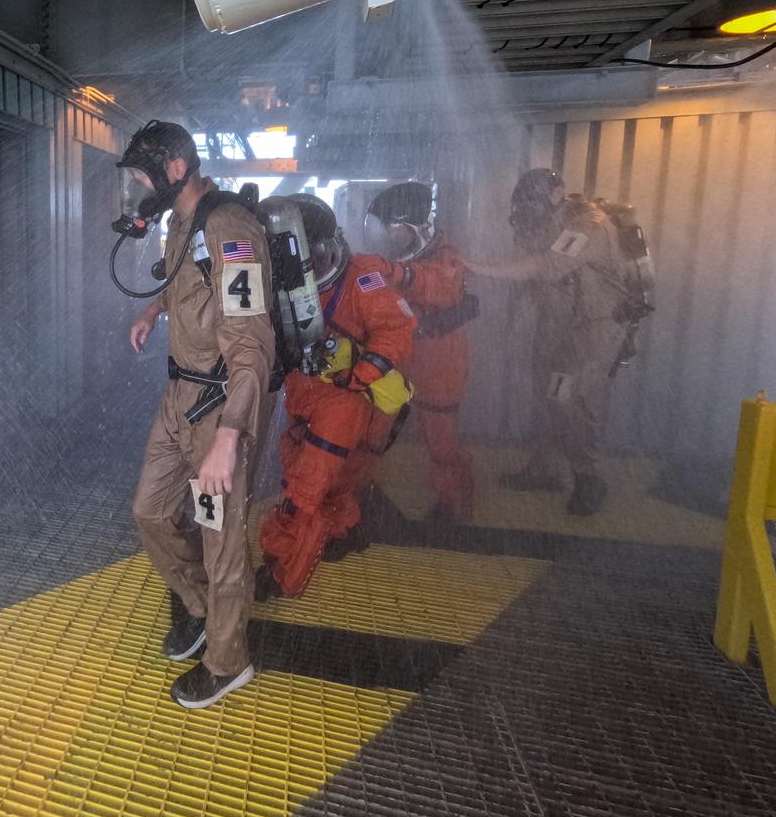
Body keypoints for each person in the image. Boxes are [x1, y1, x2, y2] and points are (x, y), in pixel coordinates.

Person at [120, 120, 276, 709]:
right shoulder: (178, 223)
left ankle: (227, 660)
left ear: (176, 169)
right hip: (177, 398)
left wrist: (227, 441)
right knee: (150, 512)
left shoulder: (231, 229)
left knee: (221, 536)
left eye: (143, 171)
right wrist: (153, 310)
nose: (138, 182)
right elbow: (183, 276)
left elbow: (253, 349)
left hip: (220, 407)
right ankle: (198, 608)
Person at [255, 194, 415, 601]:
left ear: (329, 243)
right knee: (333, 477)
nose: (303, 269)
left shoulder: (362, 277)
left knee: (304, 489)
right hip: (305, 393)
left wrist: (358, 375)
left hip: (343, 399)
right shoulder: (282, 282)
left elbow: (396, 331)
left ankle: (282, 573)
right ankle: (345, 531)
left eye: (310, 256)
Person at [466, 168, 641, 517]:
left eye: (533, 198)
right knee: (546, 394)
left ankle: (587, 477)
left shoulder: (590, 224)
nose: (527, 208)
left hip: (596, 328)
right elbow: (531, 281)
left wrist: (478, 268)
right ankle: (544, 468)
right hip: (558, 323)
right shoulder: (544, 223)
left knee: (568, 397)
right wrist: (511, 322)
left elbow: (545, 267)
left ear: (558, 192)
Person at [365, 182, 479, 523]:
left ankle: (454, 505)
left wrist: (395, 273)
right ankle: (360, 491)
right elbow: (369, 288)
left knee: (442, 441)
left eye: (390, 228)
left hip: (439, 360)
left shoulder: (446, 259)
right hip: (397, 355)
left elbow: (437, 287)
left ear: (409, 227)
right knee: (372, 431)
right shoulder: (388, 263)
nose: (385, 235)